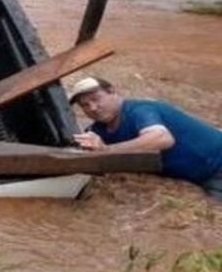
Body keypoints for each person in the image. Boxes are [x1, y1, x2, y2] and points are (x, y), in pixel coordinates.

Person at [69, 77, 222, 200]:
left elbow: (162, 139)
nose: (93, 108)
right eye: (85, 105)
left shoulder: (140, 110)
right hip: (202, 177)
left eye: (96, 99)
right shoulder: (97, 130)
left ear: (112, 92)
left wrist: (108, 150)